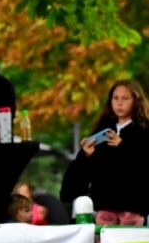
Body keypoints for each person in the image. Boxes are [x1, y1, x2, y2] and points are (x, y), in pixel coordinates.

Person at [60, 79, 149, 226]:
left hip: (133, 206)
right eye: (116, 98)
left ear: (136, 100)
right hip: (104, 205)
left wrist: (123, 146)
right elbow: (87, 170)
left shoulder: (144, 132)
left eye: (125, 98)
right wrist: (86, 155)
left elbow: (144, 166)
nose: (119, 103)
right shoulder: (102, 130)